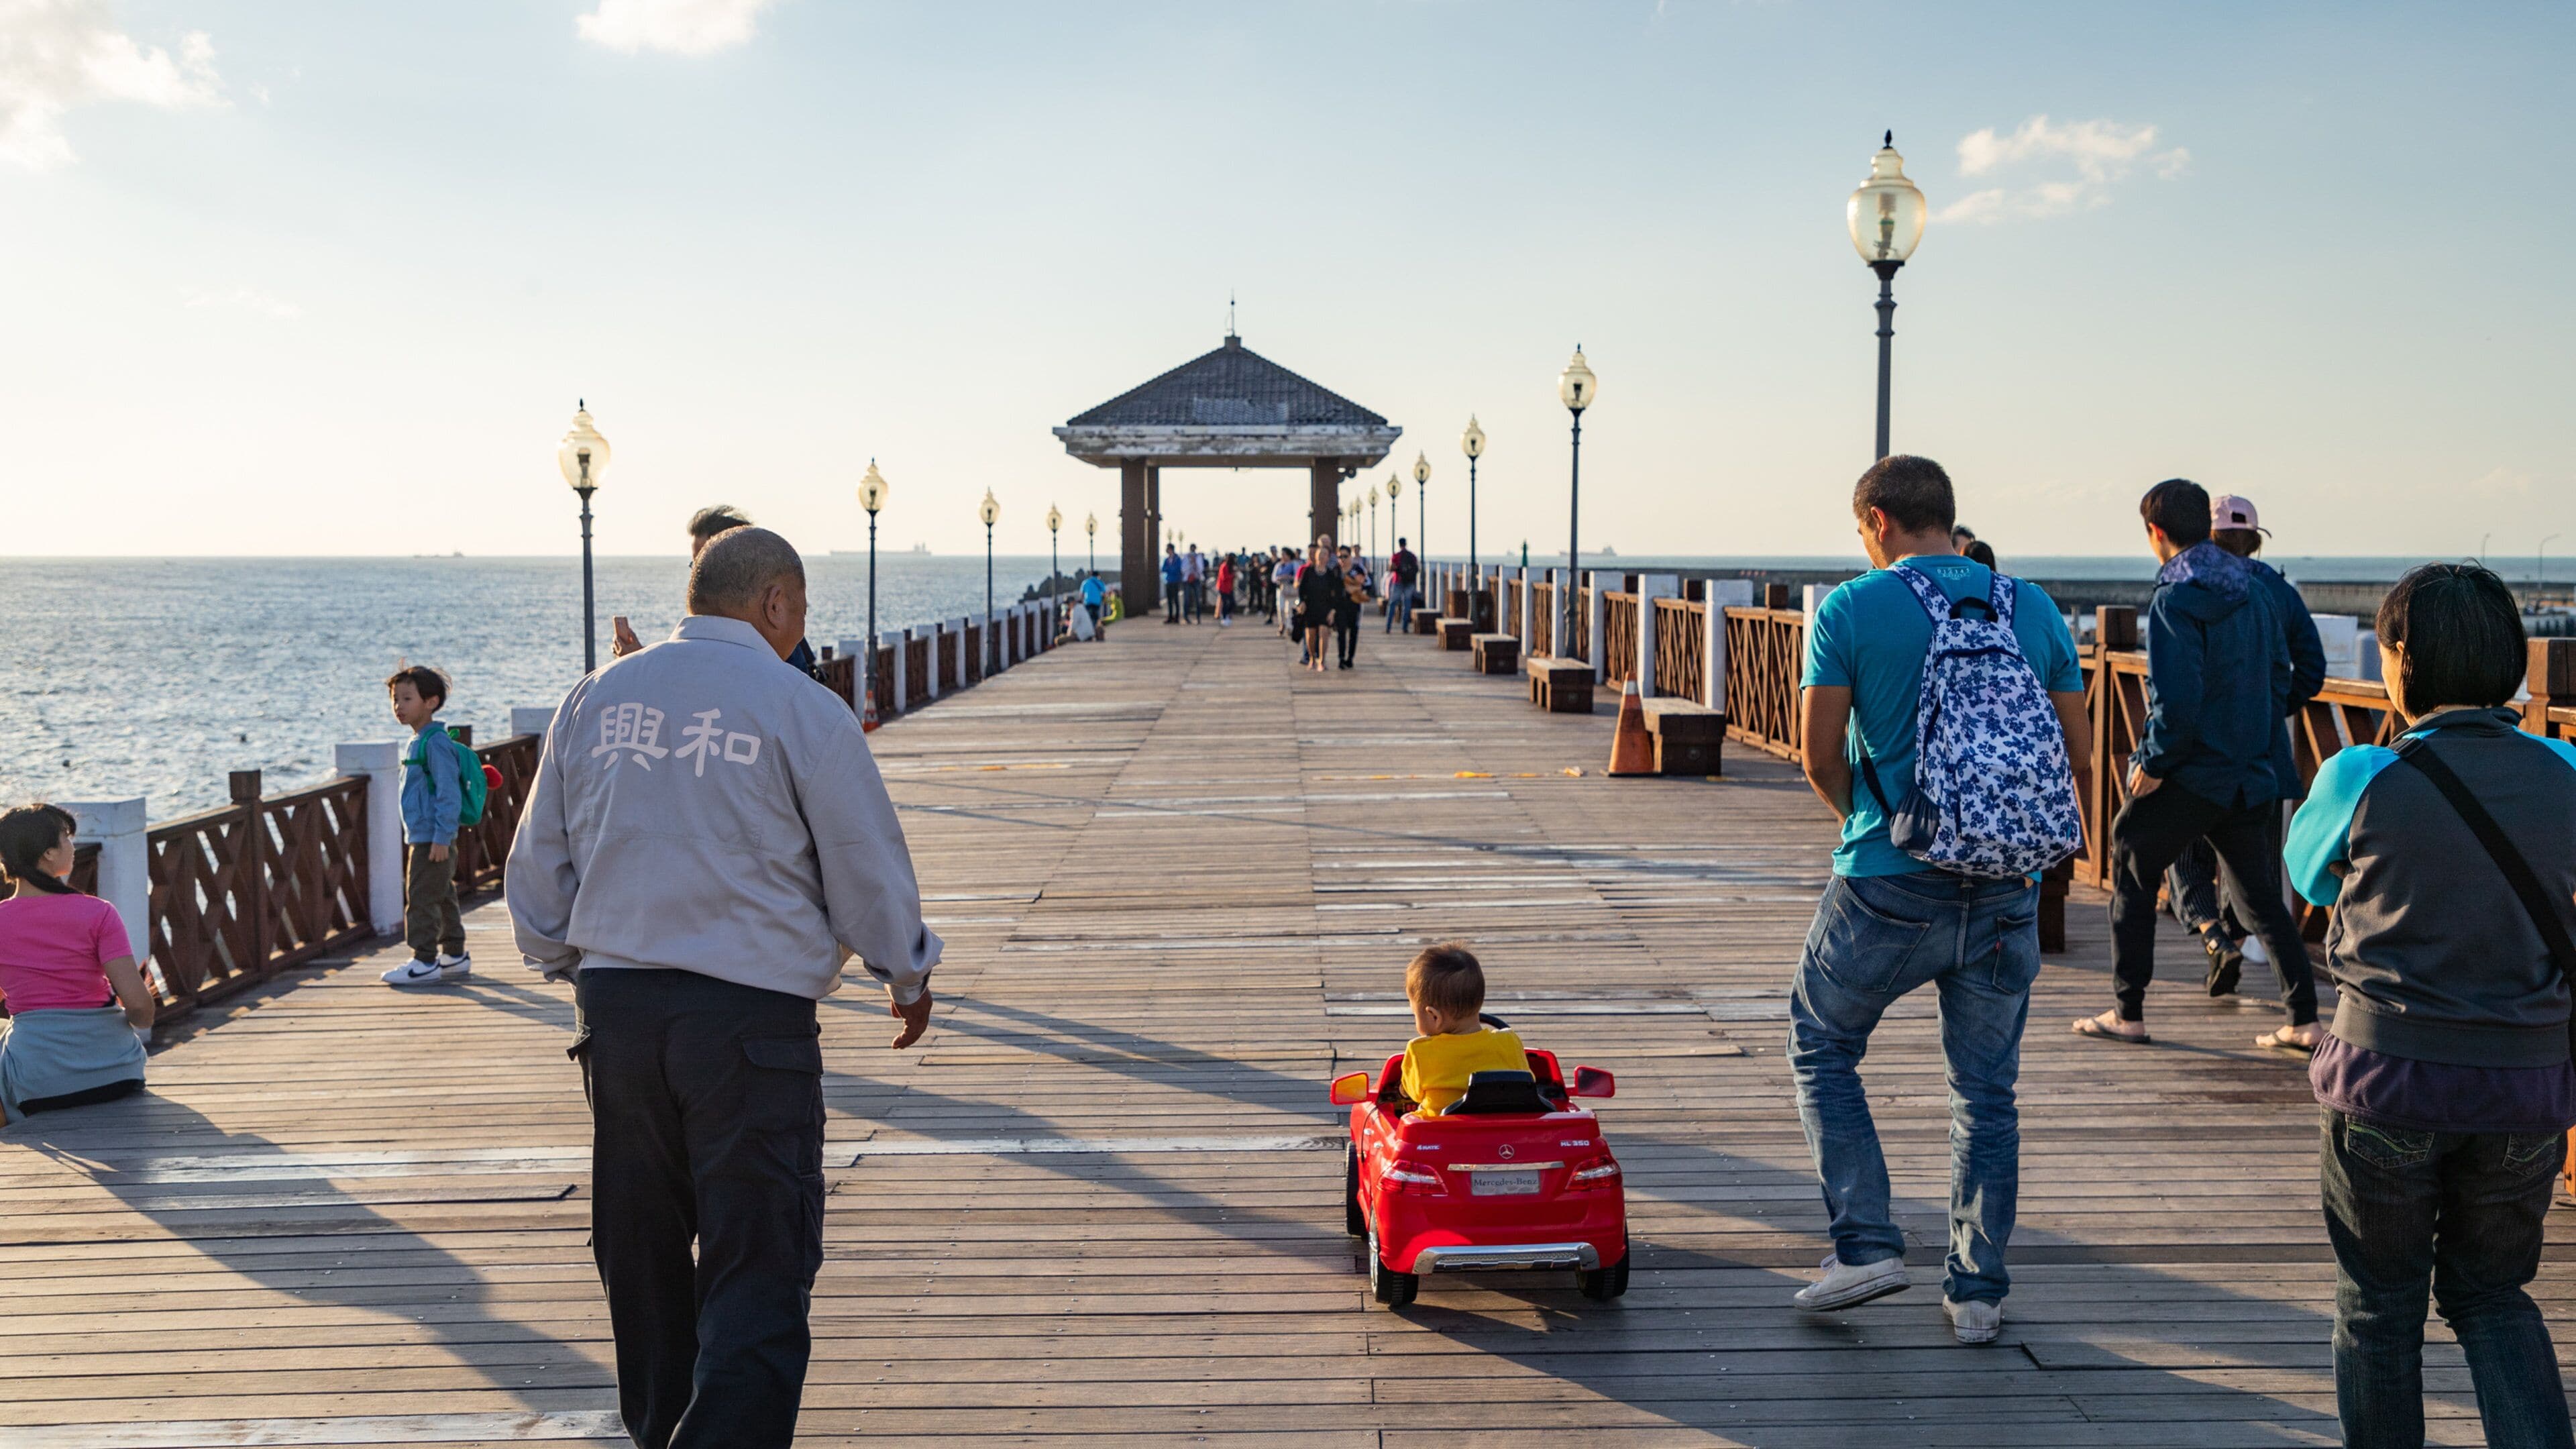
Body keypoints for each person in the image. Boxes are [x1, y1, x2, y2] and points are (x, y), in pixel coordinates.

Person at [508, 527, 942, 1449]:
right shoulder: (802, 709)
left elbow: (540, 860)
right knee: (758, 1258)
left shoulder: (598, 697)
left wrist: (563, 961)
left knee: (642, 1253)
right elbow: (863, 865)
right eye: (802, 611)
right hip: (750, 1022)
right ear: (775, 604)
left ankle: (662, 1432)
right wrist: (904, 971)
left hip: (617, 1017)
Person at [1790, 455, 2090, 1344]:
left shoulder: (1850, 607)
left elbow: (1817, 754)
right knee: (1986, 1092)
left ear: (1877, 520)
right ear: (1949, 519)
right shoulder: (2028, 606)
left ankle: (1866, 1244)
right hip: (2008, 890)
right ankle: (1978, 1291)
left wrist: (1874, 828)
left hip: (1889, 879)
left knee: (1822, 1043)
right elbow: (2073, 750)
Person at [2285, 562, 2576, 1449]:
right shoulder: (2566, 765)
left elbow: (2309, 878)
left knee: (2379, 1306)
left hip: (2388, 1081)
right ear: (2510, 665)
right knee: (2493, 1296)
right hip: (2526, 1087)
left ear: (2399, 657)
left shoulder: (2362, 773)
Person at [2074, 478, 2320, 1053]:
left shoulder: (2175, 597)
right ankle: (2303, 1020)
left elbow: (2176, 700)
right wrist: (2259, 711)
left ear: (2156, 534)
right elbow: (2301, 670)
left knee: (2132, 858)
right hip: (2255, 768)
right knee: (2259, 896)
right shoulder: (2262, 590)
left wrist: (2152, 763)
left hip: (2194, 770)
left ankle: (2128, 1012)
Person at [2165, 492, 2326, 992]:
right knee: (2249, 866)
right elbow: (2312, 669)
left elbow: (2176, 677)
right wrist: (2272, 708)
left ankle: (2213, 934)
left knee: (2183, 849)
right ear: (2256, 541)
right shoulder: (2277, 590)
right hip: (2261, 755)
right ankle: (2254, 958)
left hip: (2198, 752)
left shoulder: (2190, 584)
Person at [0, 804, 154, 1124]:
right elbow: (141, 1011)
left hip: (37, 1083)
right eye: (66, 838)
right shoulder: (98, 913)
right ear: (48, 854)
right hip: (117, 1073)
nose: (72, 846)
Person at [614, 506, 818, 678]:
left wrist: (640, 665)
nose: (698, 574)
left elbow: (710, 684)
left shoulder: (771, 633)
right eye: (695, 564)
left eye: (702, 562)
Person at [379, 665, 471, 987]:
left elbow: (449, 793)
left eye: (407, 699)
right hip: (429, 834)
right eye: (395, 699)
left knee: (420, 896)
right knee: (441, 893)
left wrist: (442, 837)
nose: (398, 707)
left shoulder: (434, 742)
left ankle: (424, 960)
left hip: (432, 836)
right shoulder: (422, 740)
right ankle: (455, 954)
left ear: (431, 702)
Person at [1397, 943, 1529, 1114]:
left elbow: (1413, 1093)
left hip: (1442, 1135)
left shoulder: (1419, 1052)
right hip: (1503, 1132)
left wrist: (1402, 1090)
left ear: (1434, 1017)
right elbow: (1526, 1083)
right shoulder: (1509, 1041)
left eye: (1415, 1014)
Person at [1297, 541, 1340, 674]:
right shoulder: (1309, 572)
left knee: (1324, 633)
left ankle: (1322, 660)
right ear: (1315, 556)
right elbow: (1301, 589)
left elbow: (1335, 593)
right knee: (1310, 636)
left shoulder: (1330, 574)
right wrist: (1302, 602)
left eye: (1325, 554)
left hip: (1325, 608)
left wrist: (1333, 610)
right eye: (1320, 554)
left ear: (1328, 557)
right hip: (1310, 607)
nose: (1322, 557)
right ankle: (1311, 659)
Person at [1332, 545, 1364, 669]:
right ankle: (1341, 658)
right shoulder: (1335, 570)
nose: (1342, 559)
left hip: (1354, 605)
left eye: (1345, 556)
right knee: (1341, 632)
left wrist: (1356, 588)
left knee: (1353, 632)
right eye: (1340, 557)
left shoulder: (1357, 569)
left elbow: (1367, 584)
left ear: (1350, 557)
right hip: (1340, 606)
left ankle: (1350, 658)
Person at [1386, 537, 1419, 632]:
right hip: (1410, 583)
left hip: (1398, 581)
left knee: (1392, 604)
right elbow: (1417, 568)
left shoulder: (1396, 556)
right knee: (1407, 604)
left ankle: (1388, 627)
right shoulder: (1412, 555)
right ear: (1406, 544)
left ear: (1399, 544)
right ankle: (1405, 628)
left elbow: (1391, 568)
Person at [1272, 547, 1299, 636]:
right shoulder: (1279, 565)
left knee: (1290, 609)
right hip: (1281, 589)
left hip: (1291, 589)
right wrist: (1279, 578)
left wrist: (1289, 577)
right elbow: (1273, 578)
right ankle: (1282, 624)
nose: (1283, 556)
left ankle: (1289, 627)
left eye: (1284, 554)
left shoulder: (1294, 564)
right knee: (1281, 608)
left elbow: (1297, 577)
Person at [1182, 544, 1206, 624]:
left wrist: (1195, 562)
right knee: (1187, 599)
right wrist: (1190, 563)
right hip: (1187, 580)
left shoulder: (1198, 557)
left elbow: (1201, 569)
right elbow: (1183, 569)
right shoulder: (1186, 557)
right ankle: (1186, 617)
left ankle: (1198, 617)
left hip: (1196, 580)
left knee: (1197, 599)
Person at [1078, 570, 1106, 638]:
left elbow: (1081, 594)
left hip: (1088, 603)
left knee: (1089, 618)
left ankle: (1089, 632)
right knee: (1096, 618)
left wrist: (1081, 602)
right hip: (1097, 603)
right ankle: (1095, 632)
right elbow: (1104, 592)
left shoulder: (1085, 582)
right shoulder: (1100, 582)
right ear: (1098, 576)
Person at [1161, 544, 1184, 624]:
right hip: (1169, 581)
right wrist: (1171, 569)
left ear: (1171, 549)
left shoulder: (1177, 559)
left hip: (1175, 581)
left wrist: (1169, 569)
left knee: (1176, 600)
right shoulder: (1167, 560)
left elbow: (1177, 569)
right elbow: (1163, 569)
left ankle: (1177, 617)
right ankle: (1170, 616)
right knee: (1169, 600)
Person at [1215, 552, 1236, 627]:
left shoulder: (1231, 567)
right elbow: (1224, 578)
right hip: (1223, 588)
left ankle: (1227, 616)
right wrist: (1233, 575)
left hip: (1229, 588)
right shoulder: (1224, 566)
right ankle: (1224, 618)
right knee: (1225, 603)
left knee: (1232, 603)